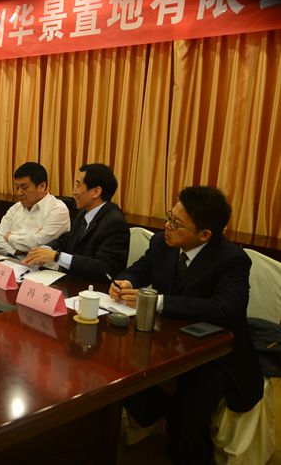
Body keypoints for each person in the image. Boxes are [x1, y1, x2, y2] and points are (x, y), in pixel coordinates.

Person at [110, 186, 263, 464]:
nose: (167, 226)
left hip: (216, 352)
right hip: (166, 339)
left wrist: (159, 302)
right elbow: (139, 270)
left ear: (204, 235)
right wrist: (126, 281)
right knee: (115, 373)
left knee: (189, 411)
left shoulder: (232, 260)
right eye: (169, 216)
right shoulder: (161, 243)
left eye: (176, 223)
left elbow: (225, 309)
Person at [23, 163, 129, 281]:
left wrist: (57, 256)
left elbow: (105, 269)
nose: (74, 192)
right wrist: (46, 248)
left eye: (78, 186)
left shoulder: (114, 222)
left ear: (96, 192)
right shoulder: (85, 213)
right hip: (72, 281)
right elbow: (68, 239)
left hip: (93, 288)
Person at [0, 162, 70, 256]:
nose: (19, 193)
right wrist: (16, 251)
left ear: (42, 186)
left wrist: (10, 237)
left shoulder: (57, 209)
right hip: (10, 258)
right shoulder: (16, 207)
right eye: (17, 187)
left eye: (24, 187)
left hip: (39, 264)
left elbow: (38, 244)